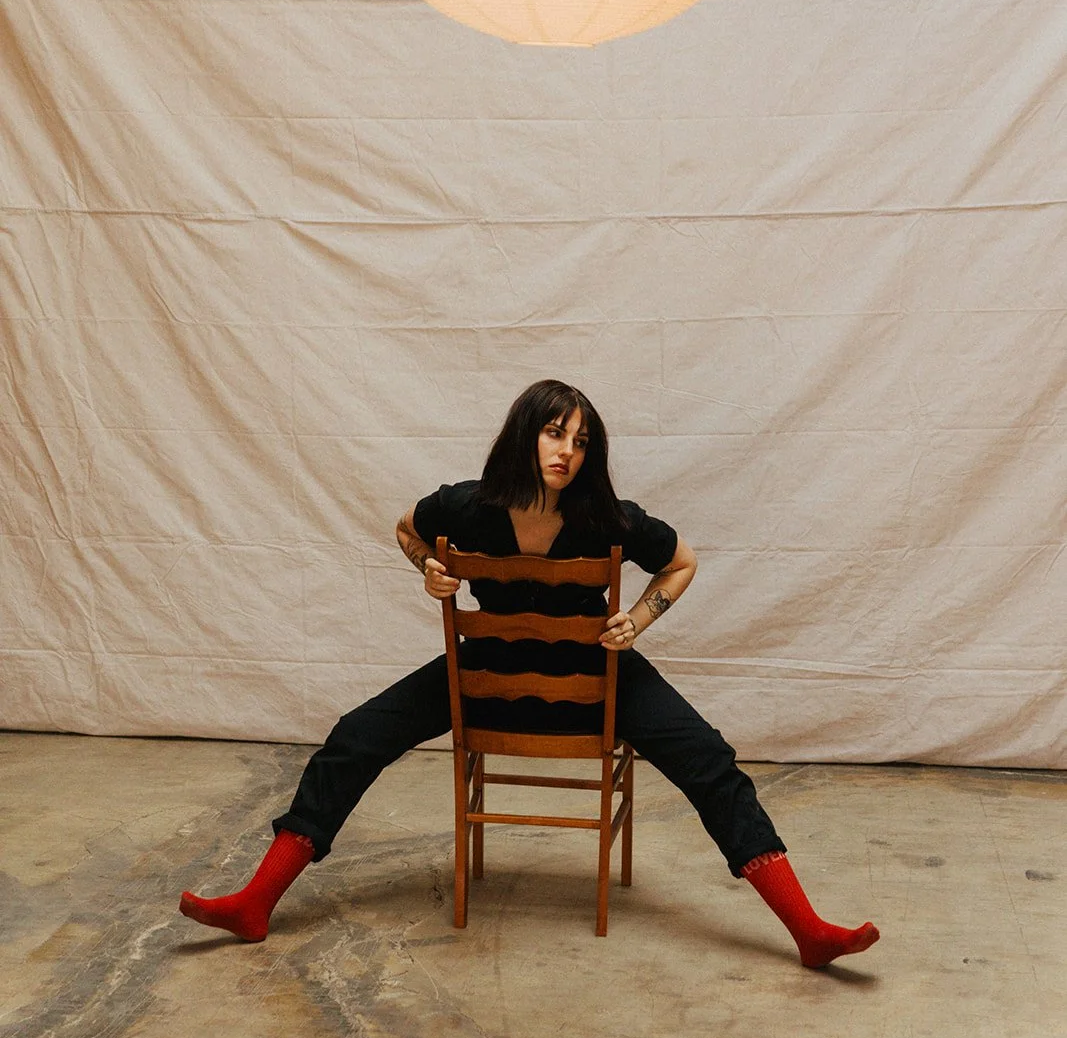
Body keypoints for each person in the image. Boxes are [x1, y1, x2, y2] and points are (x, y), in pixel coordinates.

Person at [179, 380, 879, 969]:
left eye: (580, 442)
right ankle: (254, 904)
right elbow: (405, 529)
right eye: (554, 435)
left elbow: (682, 559)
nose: (566, 453)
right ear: (523, 437)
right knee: (355, 737)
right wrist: (427, 566)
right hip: (485, 668)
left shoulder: (610, 517)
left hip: (597, 676)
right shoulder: (464, 504)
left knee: (709, 762)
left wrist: (636, 620)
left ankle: (806, 932)